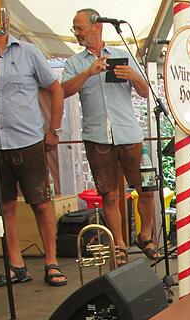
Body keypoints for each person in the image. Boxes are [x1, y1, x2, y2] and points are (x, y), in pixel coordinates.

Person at [0, 14, 67, 287]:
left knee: (41, 204)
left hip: (29, 141)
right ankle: (16, 266)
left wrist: (53, 129)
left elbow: (55, 89)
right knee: (5, 206)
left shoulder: (28, 52)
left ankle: (51, 262)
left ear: (6, 22)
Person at [62, 8, 156, 264]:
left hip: (129, 134)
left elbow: (146, 92)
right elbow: (64, 91)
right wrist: (88, 73)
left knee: (147, 189)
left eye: (79, 27)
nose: (77, 33)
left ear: (98, 27)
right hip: (97, 137)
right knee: (110, 195)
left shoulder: (122, 55)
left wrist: (133, 75)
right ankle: (120, 245)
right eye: (75, 28)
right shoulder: (74, 62)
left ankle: (144, 235)